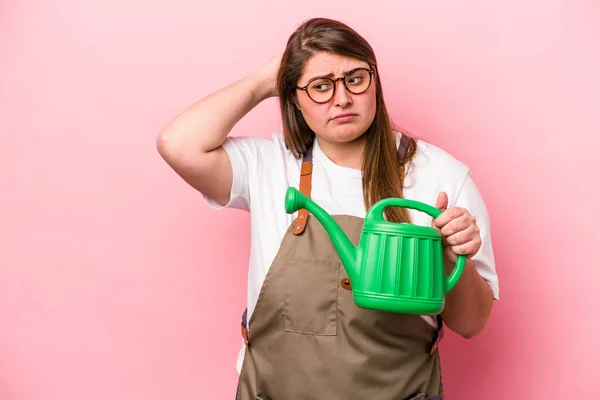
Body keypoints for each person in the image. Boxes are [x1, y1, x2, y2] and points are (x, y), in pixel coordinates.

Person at [157, 17, 499, 400]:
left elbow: (472, 323)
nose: (341, 99)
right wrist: (264, 81)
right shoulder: (269, 165)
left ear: (375, 82)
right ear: (294, 99)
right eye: (320, 87)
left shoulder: (442, 177)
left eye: (355, 79)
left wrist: (452, 258)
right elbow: (177, 143)